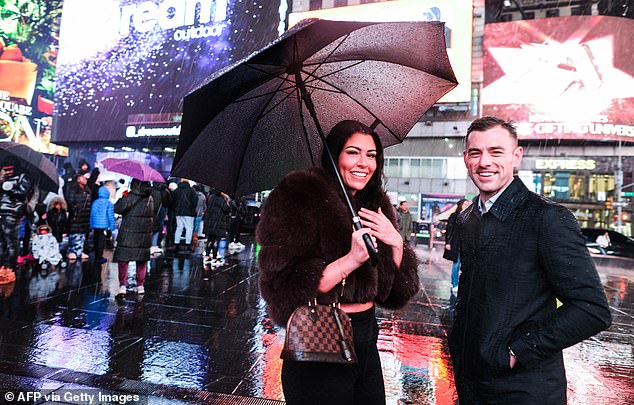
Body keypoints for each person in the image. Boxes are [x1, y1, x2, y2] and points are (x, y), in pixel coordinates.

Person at [449, 116, 611, 404]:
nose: (485, 161)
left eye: (496, 152)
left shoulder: (547, 218)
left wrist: (517, 352)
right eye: (476, 152)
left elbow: (591, 309)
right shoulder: (467, 218)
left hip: (524, 390)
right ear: (466, 159)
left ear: (516, 156)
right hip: (471, 383)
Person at [257, 120, 420, 404]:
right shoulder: (298, 193)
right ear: (334, 155)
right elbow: (283, 287)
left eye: (371, 155)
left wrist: (396, 242)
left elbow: (392, 292)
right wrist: (351, 259)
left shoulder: (375, 202)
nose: (364, 163)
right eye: (353, 152)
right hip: (322, 337)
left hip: (367, 335)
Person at [113, 179, 153, 295]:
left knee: (123, 261)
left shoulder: (131, 196)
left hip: (128, 233)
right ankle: (140, 286)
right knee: (141, 261)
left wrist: (123, 197)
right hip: (143, 234)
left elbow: (118, 208)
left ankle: (122, 285)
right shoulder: (150, 198)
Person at [0, 157, 33, 284]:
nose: (8, 172)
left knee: (11, 241)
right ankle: (2, 267)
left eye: (10, 170)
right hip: (2, 210)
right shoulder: (6, 178)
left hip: (13, 212)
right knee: (1, 242)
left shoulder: (23, 177)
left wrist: (8, 188)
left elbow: (23, 192)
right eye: (6, 170)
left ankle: (11, 269)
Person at [443, 198, 469, 293]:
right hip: (456, 243)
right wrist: (448, 242)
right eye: (465, 204)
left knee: (462, 265)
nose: (466, 206)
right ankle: (454, 284)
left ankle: (455, 283)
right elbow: (449, 230)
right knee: (456, 264)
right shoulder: (454, 216)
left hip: (465, 244)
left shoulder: (468, 216)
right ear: (460, 205)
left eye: (467, 204)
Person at [65, 171, 92, 260]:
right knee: (75, 234)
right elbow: (70, 202)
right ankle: (72, 251)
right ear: (77, 180)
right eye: (82, 178)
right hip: (76, 216)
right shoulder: (74, 190)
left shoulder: (87, 190)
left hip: (85, 217)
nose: (85, 180)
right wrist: (75, 211)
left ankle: (79, 251)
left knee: (82, 235)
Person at [203, 189, 230, 266]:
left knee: (209, 240)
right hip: (217, 223)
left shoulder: (211, 198)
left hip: (210, 223)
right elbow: (226, 210)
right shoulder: (221, 199)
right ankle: (214, 258)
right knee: (216, 240)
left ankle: (207, 256)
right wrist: (227, 201)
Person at [90, 185, 116, 264]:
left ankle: (96, 256)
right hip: (103, 225)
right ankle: (99, 257)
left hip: (95, 225)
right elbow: (110, 216)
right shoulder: (108, 203)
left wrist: (91, 224)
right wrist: (112, 227)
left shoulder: (95, 202)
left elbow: (92, 214)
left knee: (96, 240)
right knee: (101, 241)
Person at [172, 178, 197, 253]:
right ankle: (188, 244)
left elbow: (173, 201)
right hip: (189, 212)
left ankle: (176, 243)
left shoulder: (176, 190)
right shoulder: (192, 190)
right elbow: (194, 202)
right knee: (189, 228)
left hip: (178, 212)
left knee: (179, 227)